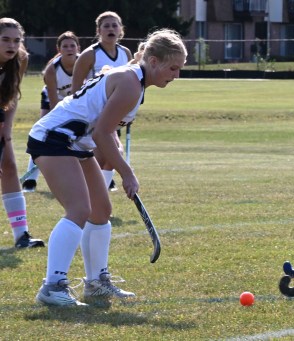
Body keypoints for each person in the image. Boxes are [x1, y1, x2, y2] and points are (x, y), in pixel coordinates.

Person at [30, 28, 187, 306]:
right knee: (79, 209)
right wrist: (127, 173)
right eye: (173, 68)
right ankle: (52, 286)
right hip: (54, 138)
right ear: (153, 62)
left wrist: (121, 163)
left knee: (101, 211)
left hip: (76, 143)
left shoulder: (134, 80)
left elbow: (107, 129)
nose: (176, 76)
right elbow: (102, 134)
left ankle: (96, 283)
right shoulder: (130, 84)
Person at [72, 11, 132, 192]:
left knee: (110, 158)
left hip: (114, 114)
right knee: (101, 158)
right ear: (98, 30)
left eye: (115, 25)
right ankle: (90, 199)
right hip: (93, 116)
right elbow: (76, 89)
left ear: (121, 29)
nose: (111, 29)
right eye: (106, 26)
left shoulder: (126, 53)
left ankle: (98, 198)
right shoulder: (89, 55)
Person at [0, 18, 45, 248]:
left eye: (16, 40)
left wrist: (7, 129)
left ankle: (21, 235)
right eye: (5, 39)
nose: (12, 45)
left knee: (9, 166)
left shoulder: (20, 59)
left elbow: (12, 95)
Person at [22, 31, 80, 192]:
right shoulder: (52, 69)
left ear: (78, 47)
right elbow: (55, 104)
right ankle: (30, 180)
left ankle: (104, 180)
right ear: (58, 49)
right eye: (65, 46)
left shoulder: (84, 63)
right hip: (53, 101)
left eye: (72, 45)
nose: (69, 49)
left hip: (77, 104)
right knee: (42, 134)